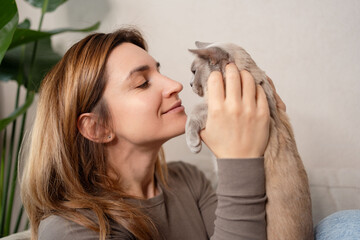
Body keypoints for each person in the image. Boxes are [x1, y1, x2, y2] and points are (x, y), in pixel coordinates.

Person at [21, 27, 284, 240]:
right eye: (143, 83)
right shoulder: (70, 230)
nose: (176, 85)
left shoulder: (188, 181)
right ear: (97, 127)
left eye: (159, 71)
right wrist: (238, 159)